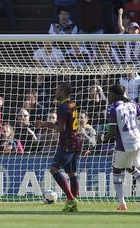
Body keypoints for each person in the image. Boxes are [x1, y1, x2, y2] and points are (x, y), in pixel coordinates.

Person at [103, 84, 140, 210]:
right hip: (137, 142)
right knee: (131, 168)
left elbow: (112, 132)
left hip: (124, 145)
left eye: (110, 93)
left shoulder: (113, 109)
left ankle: (122, 203)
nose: (108, 96)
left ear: (115, 95)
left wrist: (102, 138)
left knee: (117, 171)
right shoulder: (133, 104)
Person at [35, 83, 81, 212]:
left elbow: (61, 128)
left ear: (63, 92)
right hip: (77, 141)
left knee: (54, 169)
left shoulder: (62, 107)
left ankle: (71, 199)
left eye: (57, 90)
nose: (56, 92)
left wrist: (44, 124)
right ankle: (73, 203)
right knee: (72, 173)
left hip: (67, 142)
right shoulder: (73, 104)